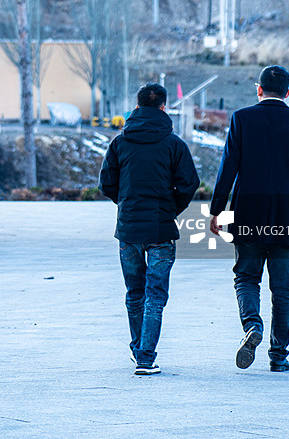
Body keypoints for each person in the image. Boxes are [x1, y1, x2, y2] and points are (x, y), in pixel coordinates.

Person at [209, 65, 289, 372]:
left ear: (258, 89)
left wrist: (216, 210)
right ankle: (279, 356)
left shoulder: (242, 119)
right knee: (283, 289)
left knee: (246, 277)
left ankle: (252, 325)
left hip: (248, 215)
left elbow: (228, 169)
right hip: (287, 218)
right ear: (288, 93)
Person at [99, 82, 199, 375]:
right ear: (164, 107)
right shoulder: (174, 144)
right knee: (155, 294)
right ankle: (146, 356)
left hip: (128, 229)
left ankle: (137, 348)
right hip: (160, 231)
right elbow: (189, 184)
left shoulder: (119, 142)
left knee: (134, 292)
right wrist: (170, 209)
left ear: (137, 106)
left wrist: (126, 202)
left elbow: (107, 184)